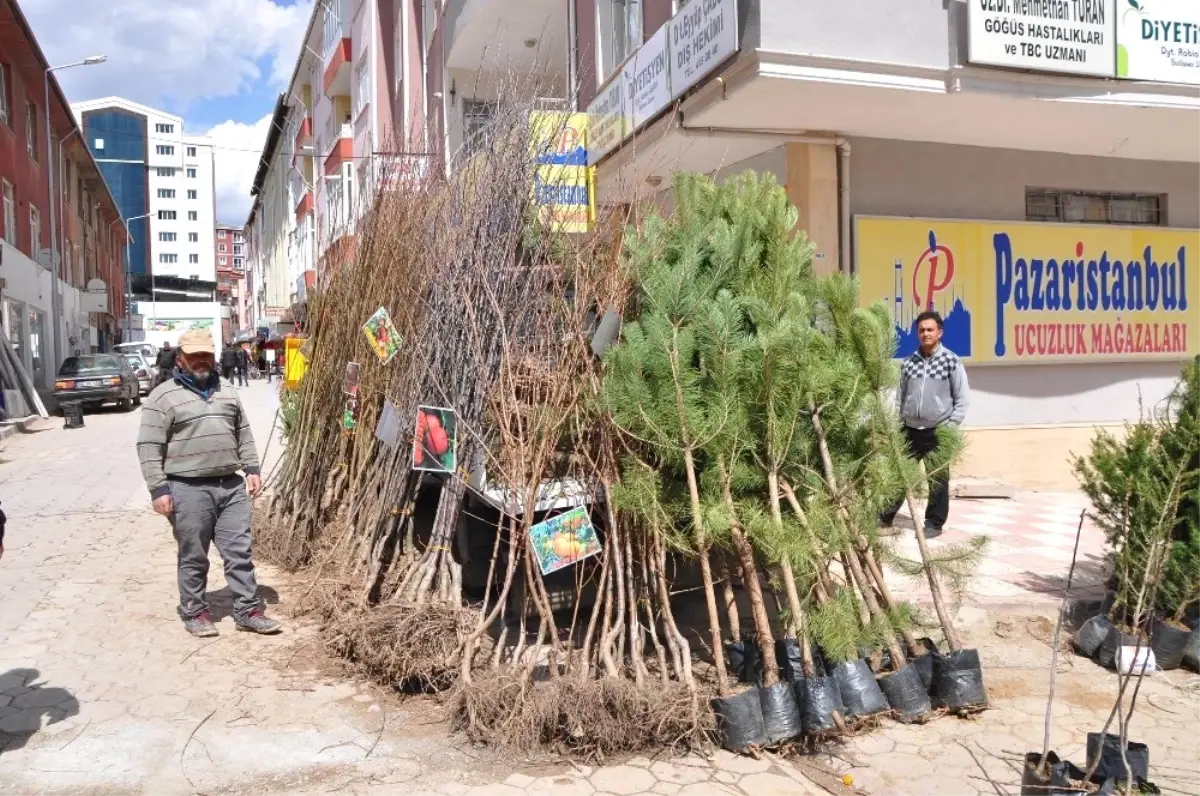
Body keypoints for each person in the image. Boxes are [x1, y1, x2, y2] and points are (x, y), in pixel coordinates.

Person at [136, 329, 281, 637]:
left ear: (214, 357)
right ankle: (194, 611)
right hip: (187, 489)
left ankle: (247, 610)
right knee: (194, 554)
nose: (201, 361)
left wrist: (252, 468)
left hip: (230, 486)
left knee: (239, 551)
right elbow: (148, 445)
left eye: (206, 355)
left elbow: (243, 431)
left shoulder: (227, 390)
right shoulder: (162, 397)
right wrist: (158, 489)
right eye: (194, 356)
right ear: (180, 359)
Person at [879, 310, 970, 539]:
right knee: (900, 474)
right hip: (909, 429)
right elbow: (901, 395)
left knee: (937, 479)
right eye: (921, 330)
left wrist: (949, 427)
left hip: (938, 430)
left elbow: (962, 399)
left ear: (939, 332)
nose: (925, 333)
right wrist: (898, 423)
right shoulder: (909, 362)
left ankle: (934, 523)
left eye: (930, 329)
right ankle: (884, 517)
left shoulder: (951, 361)